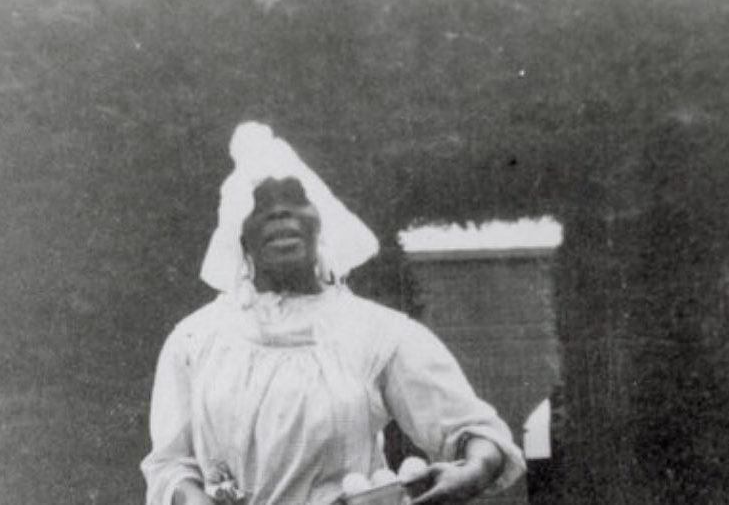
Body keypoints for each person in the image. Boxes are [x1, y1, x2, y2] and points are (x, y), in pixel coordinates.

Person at [140, 122, 525, 505]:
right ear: (240, 234)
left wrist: (473, 470)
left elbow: (475, 432)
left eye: (295, 197)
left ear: (320, 221)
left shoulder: (377, 332)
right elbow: (170, 465)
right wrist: (193, 499)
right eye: (261, 203)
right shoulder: (195, 339)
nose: (280, 211)